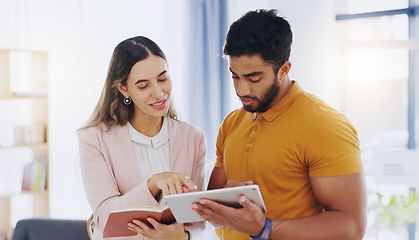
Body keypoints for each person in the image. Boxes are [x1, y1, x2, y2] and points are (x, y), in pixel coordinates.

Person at [192, 9, 367, 240]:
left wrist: (263, 228)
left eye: (254, 78)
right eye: (235, 76)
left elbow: (351, 226)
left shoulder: (324, 125)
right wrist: (219, 203)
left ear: (283, 70)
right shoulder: (232, 123)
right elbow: (214, 209)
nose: (241, 90)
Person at [78, 36, 206, 240]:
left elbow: (197, 219)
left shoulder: (194, 137)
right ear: (123, 88)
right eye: (143, 85)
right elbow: (104, 216)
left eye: (163, 78)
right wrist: (153, 183)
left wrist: (183, 237)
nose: (158, 93)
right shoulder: (94, 139)